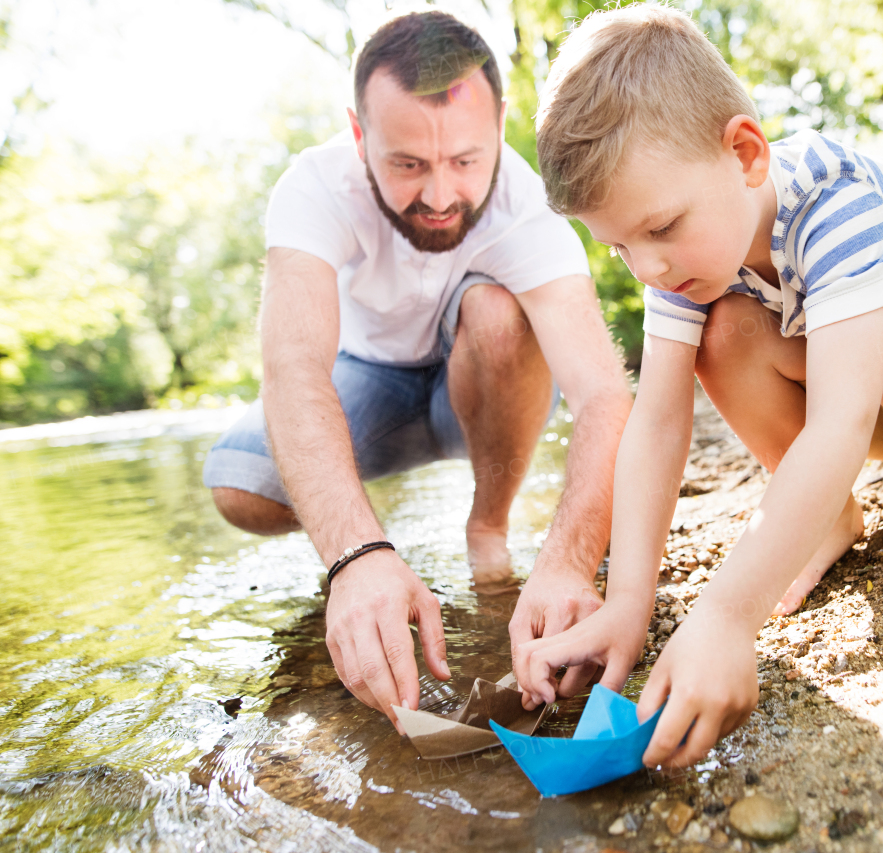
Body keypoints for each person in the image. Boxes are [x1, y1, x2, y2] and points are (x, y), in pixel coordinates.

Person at [513, 5, 883, 769]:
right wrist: (630, 600)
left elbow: (842, 421)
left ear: (745, 153)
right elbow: (658, 424)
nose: (648, 268)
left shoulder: (834, 201)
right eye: (620, 246)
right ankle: (831, 515)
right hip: (854, 382)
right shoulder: (683, 262)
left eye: (660, 228)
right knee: (719, 333)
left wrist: (727, 618)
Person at [201, 10, 632, 734]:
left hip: (489, 378)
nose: (439, 195)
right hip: (368, 377)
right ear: (359, 132)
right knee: (238, 489)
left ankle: (487, 526)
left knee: (496, 313)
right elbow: (294, 369)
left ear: (498, 122)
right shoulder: (311, 187)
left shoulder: (528, 206)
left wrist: (566, 563)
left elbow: (603, 392)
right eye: (407, 164)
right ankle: (369, 542)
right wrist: (356, 554)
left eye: (466, 160)